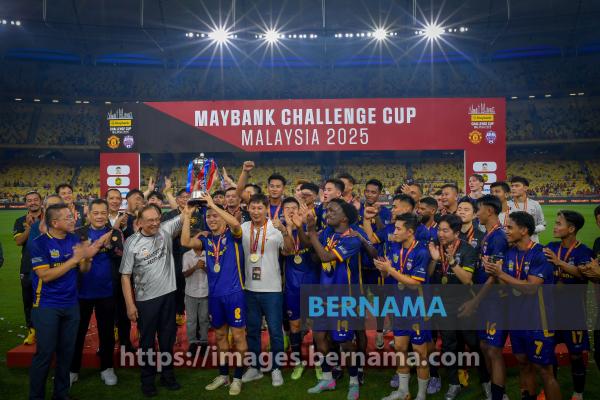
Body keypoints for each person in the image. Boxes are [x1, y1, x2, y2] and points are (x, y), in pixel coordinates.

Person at [28, 203, 104, 400]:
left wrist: (86, 258)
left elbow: (84, 270)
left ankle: (61, 395)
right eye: (68, 217)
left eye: (72, 216)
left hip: (71, 305)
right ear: (55, 222)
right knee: (45, 354)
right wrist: (74, 260)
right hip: (46, 306)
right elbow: (45, 275)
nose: (73, 220)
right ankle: (36, 396)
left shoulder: (74, 239)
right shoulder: (39, 243)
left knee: (66, 353)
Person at [483, 212, 560, 400]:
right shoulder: (509, 253)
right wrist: (493, 271)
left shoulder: (541, 254)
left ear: (524, 230)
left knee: (544, 370)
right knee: (523, 363)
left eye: (510, 227)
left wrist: (500, 274)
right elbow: (505, 286)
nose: (506, 231)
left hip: (538, 321)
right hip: (517, 319)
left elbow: (531, 288)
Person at [181, 193, 249, 395]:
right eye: (208, 216)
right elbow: (185, 242)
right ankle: (223, 375)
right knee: (220, 336)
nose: (211, 219)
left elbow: (235, 223)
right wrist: (187, 215)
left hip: (235, 294)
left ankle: (238, 377)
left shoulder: (234, 235)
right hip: (215, 296)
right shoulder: (205, 239)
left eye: (215, 216)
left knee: (238, 336)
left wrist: (213, 204)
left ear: (223, 217)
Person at [120, 204, 184, 397]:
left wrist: (193, 199)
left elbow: (185, 215)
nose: (155, 223)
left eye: (157, 219)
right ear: (139, 222)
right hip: (146, 301)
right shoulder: (132, 242)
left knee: (167, 340)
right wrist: (130, 304)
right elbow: (125, 275)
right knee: (147, 342)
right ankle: (147, 380)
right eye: (150, 220)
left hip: (168, 296)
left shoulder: (165, 230)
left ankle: (167, 376)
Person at [306, 199, 363, 400]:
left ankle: (354, 382)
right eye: (327, 210)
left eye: (332, 211)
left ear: (345, 218)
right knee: (319, 337)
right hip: (323, 297)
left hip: (342, 300)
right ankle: (327, 378)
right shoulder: (328, 233)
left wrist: (312, 232)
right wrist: (308, 230)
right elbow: (311, 246)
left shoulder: (352, 240)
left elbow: (325, 257)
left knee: (345, 343)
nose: (327, 213)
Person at [374, 213, 431, 400]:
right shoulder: (394, 247)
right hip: (399, 306)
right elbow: (388, 276)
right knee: (399, 347)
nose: (395, 232)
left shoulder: (421, 252)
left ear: (410, 232)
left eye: (398, 229)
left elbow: (415, 283)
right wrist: (384, 270)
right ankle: (403, 391)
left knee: (420, 352)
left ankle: (421, 395)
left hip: (417, 308)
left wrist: (390, 270)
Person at [428, 214, 485, 400]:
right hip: (442, 305)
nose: (440, 234)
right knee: (448, 344)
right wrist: (435, 259)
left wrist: (452, 261)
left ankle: (486, 380)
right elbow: (429, 275)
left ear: (456, 233)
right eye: (439, 230)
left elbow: (467, 280)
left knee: (473, 343)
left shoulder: (468, 249)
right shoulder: (435, 247)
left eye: (445, 230)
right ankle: (454, 383)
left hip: (463, 304)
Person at [460, 194, 509, 400]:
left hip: (495, 301)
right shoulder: (488, 235)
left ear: (489, 211)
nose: (476, 214)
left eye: (478, 210)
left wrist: (475, 301)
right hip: (485, 299)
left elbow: (494, 275)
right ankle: (494, 391)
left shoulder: (499, 237)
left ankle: (500, 395)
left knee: (493, 350)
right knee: (484, 346)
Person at [241, 194, 292, 387]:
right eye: (252, 208)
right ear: (248, 209)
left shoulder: (275, 227)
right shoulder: (243, 228)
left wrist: (285, 231)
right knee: (252, 330)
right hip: (250, 289)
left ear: (266, 209)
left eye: (259, 208)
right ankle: (255, 367)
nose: (256, 211)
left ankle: (276, 368)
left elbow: (288, 251)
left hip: (272, 290)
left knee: (275, 331)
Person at [70, 199, 123, 387]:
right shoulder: (78, 233)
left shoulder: (115, 233)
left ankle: (107, 368)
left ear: (107, 214)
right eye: (96, 213)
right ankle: (73, 369)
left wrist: (108, 247)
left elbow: (120, 255)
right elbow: (73, 258)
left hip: (107, 292)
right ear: (89, 214)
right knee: (77, 332)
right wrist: (97, 245)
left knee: (107, 332)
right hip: (81, 292)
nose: (100, 216)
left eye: (103, 213)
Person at [543, 210, 593, 400]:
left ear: (571, 229)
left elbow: (583, 274)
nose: (554, 226)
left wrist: (558, 262)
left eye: (559, 223)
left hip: (573, 314)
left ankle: (578, 393)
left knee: (575, 355)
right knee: (548, 353)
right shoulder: (551, 246)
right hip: (550, 312)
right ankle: (550, 390)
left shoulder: (583, 251)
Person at [281, 197, 320, 380]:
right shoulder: (279, 232)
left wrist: (299, 226)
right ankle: (298, 363)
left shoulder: (309, 230)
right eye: (286, 208)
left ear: (299, 210)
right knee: (295, 325)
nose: (290, 211)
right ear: (282, 212)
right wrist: (287, 229)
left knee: (315, 325)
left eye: (293, 208)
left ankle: (319, 363)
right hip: (291, 286)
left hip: (312, 284)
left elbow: (313, 251)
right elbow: (286, 251)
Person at [162, 188, 206, 326]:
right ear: (177, 199)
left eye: (188, 197)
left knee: (194, 281)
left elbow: (201, 232)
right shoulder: (169, 215)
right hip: (175, 253)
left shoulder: (198, 215)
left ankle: (197, 316)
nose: (185, 199)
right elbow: (165, 234)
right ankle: (178, 312)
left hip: (193, 253)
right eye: (182, 197)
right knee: (177, 283)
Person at [13, 191, 43, 345]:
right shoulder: (20, 221)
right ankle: (32, 330)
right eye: (29, 200)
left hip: (47, 263)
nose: (33, 203)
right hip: (27, 265)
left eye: (35, 200)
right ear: (26, 204)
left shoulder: (49, 218)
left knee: (47, 297)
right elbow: (19, 241)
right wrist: (30, 228)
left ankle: (47, 329)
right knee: (28, 299)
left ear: (41, 201)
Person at [181, 247, 209, 356]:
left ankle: (204, 342)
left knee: (204, 320)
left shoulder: (208, 254)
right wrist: (196, 267)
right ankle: (192, 343)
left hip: (205, 292)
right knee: (191, 321)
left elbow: (213, 272)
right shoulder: (187, 255)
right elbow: (184, 273)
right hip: (190, 293)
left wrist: (204, 267)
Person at [508, 177, 546, 242]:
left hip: (532, 243)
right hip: (513, 244)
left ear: (525, 188)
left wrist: (530, 230)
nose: (513, 188)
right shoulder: (506, 205)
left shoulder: (535, 204)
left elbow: (542, 225)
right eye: (512, 186)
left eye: (517, 186)